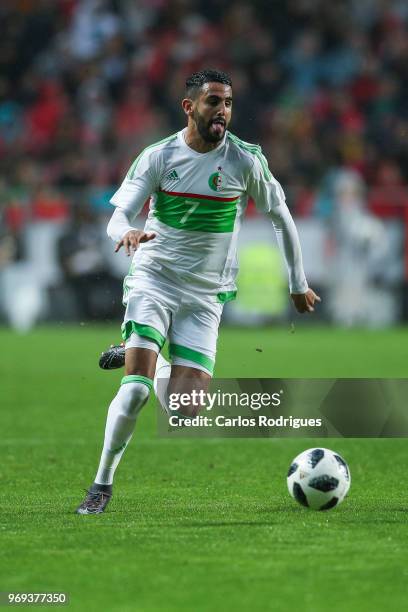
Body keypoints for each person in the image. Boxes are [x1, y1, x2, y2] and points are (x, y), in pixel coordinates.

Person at [76, 69, 320, 515]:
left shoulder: (246, 160)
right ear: (190, 107)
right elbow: (116, 216)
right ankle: (101, 485)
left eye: (227, 102)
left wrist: (298, 284)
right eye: (213, 102)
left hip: (206, 296)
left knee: (185, 412)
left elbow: (282, 218)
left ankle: (148, 356)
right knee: (135, 392)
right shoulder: (158, 156)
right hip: (155, 278)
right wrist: (127, 231)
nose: (222, 111)